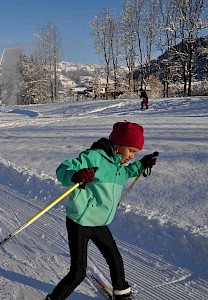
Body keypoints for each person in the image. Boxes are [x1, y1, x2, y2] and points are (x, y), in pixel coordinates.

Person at [46, 121, 158, 300]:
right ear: (118, 145)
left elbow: (125, 173)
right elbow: (63, 169)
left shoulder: (118, 166)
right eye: (131, 151)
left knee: (115, 258)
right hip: (80, 222)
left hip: (100, 222)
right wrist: (76, 175)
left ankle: (121, 293)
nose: (132, 157)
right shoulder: (93, 157)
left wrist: (142, 164)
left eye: (136, 153)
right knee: (78, 272)